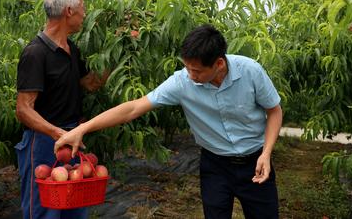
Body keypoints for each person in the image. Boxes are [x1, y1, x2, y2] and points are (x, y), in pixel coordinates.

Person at [55, 24, 283, 219]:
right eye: (187, 68)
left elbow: (274, 111)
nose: (191, 75)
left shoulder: (251, 71)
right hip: (215, 165)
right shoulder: (182, 82)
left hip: (255, 160)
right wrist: (84, 128)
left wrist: (266, 153)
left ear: (219, 64)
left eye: (197, 71)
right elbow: (134, 107)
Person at [15, 0, 108, 219]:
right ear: (69, 11)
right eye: (82, 8)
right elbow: (24, 109)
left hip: (71, 137)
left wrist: (120, 51)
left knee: (74, 207)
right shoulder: (35, 53)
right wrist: (57, 133)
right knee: (44, 211)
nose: (85, 14)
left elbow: (91, 83)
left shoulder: (71, 49)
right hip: (45, 141)